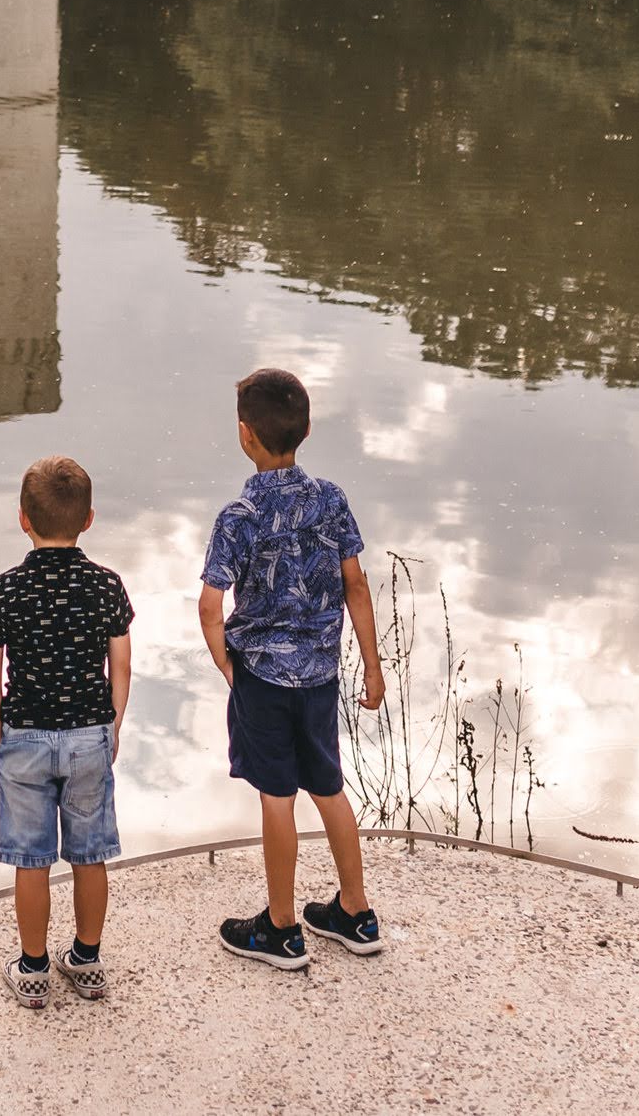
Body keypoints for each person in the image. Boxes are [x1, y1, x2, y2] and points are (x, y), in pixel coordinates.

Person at [198, 366, 385, 970]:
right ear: (304, 430)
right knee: (329, 787)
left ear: (246, 436)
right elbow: (355, 586)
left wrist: (231, 668)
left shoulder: (240, 515)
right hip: (321, 676)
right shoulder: (331, 500)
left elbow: (210, 605)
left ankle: (281, 927)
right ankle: (355, 913)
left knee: (276, 796)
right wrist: (373, 670)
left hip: (263, 678)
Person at [0, 453, 135, 1008]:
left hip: (25, 734)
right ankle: (87, 961)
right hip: (89, 732)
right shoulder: (107, 586)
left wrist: (2, 733)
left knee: (31, 858)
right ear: (88, 519)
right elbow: (121, 664)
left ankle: (34, 968)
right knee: (90, 854)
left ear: (23, 518)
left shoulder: (5, 589)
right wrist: (111, 726)